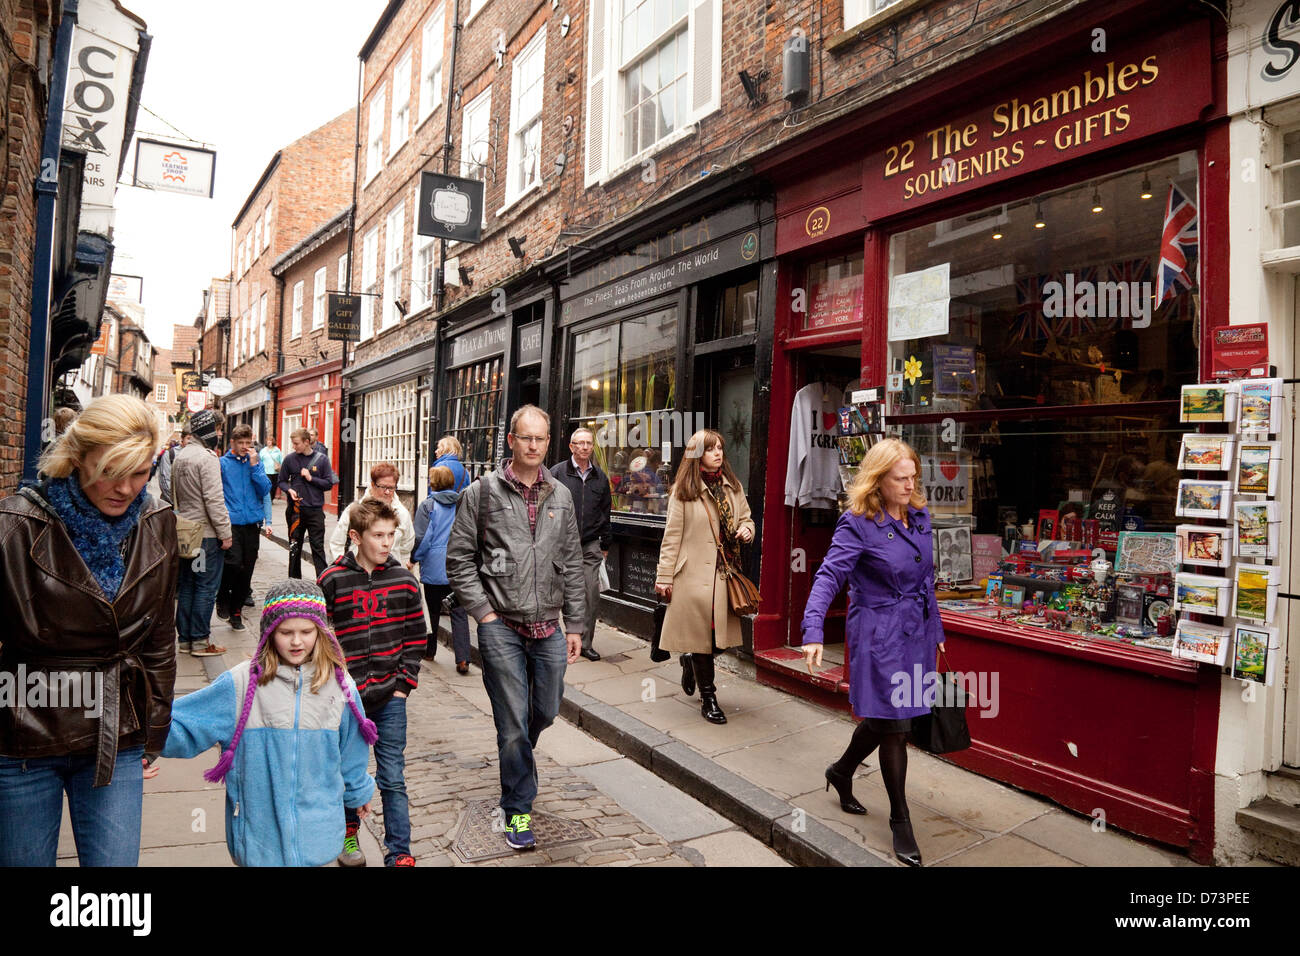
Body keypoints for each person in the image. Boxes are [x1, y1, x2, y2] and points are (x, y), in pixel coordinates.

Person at [0, 394, 177, 866]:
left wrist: (153, 730)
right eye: (110, 470)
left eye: (139, 472)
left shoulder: (157, 522)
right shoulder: (16, 524)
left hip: (115, 732)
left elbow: (160, 636)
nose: (124, 488)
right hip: (24, 733)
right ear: (78, 457)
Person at [159, 580, 377, 866]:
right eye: (286, 632)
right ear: (269, 632)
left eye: (306, 631)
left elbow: (351, 748)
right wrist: (143, 744)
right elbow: (186, 723)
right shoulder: (239, 684)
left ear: (321, 632)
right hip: (258, 833)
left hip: (318, 828)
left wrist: (358, 790)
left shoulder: (340, 685)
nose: (297, 641)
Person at [446, 404, 585, 852]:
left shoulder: (561, 495)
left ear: (549, 443)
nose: (533, 446)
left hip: (549, 625)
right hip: (501, 624)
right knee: (512, 724)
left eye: (540, 439)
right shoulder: (483, 493)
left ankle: (519, 752)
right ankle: (518, 807)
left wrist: (577, 623)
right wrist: (483, 614)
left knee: (543, 711)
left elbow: (574, 562)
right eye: (525, 437)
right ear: (511, 440)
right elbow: (459, 558)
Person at [800, 438, 944, 867]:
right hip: (879, 635)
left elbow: (926, 580)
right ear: (878, 480)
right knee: (895, 726)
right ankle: (901, 820)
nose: (909, 484)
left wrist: (935, 628)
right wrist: (812, 631)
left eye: (913, 476)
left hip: (915, 634)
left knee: (888, 718)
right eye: (901, 478)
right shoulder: (857, 523)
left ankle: (841, 772)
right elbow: (828, 577)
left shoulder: (919, 517)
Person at [319, 498, 424, 868]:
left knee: (392, 775)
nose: (386, 543)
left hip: (388, 697)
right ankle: (349, 836)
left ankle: (400, 851)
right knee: (346, 771)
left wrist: (403, 684)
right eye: (378, 535)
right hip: (345, 699)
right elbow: (318, 635)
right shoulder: (332, 580)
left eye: (390, 535)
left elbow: (416, 637)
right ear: (355, 537)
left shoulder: (404, 581)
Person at [654, 429, 755, 725]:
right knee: (704, 637)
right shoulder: (683, 492)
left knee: (720, 640)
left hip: (725, 574)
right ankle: (709, 697)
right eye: (711, 450)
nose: (718, 454)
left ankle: (690, 660)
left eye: (720, 448)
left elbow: (746, 517)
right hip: (692, 576)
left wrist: (748, 529)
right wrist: (664, 577)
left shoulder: (731, 486)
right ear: (698, 456)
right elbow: (671, 538)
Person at [172, 408, 232, 656]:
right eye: (218, 429)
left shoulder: (181, 455)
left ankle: (185, 639)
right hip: (205, 535)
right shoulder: (207, 458)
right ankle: (199, 640)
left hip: (185, 532)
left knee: (187, 586)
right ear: (209, 429)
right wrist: (225, 533)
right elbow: (214, 500)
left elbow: (173, 496)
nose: (219, 434)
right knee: (206, 587)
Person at [550, 426, 612, 660]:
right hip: (559, 543)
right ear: (571, 446)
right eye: (580, 443)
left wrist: (605, 544)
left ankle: (585, 643)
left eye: (589, 443)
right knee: (555, 592)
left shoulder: (600, 477)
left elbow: (606, 512)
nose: (585, 447)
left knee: (589, 594)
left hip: (589, 545)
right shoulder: (556, 474)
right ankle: (553, 639)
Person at [411, 465, 471, 671]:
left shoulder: (428, 506)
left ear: (434, 483)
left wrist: (414, 557)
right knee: (459, 611)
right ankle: (463, 659)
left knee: (432, 609)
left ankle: (429, 651)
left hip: (434, 565)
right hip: (458, 564)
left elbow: (422, 537)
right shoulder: (462, 504)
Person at [216, 424, 271, 631]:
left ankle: (236, 612)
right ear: (232, 443)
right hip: (231, 523)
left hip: (252, 524)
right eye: (241, 443)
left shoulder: (255, 463)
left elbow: (265, 488)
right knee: (232, 563)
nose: (245, 447)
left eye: (248, 443)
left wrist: (255, 466)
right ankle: (222, 596)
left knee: (246, 569)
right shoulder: (222, 464)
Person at [328, 461, 415, 566]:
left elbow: (406, 549)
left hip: (389, 575)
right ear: (373, 484)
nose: (387, 492)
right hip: (359, 573)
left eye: (391, 488)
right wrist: (345, 570)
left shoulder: (402, 514)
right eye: (383, 487)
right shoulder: (354, 510)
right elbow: (337, 543)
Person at [279, 427, 335, 579]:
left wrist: (311, 478)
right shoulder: (289, 459)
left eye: (296, 443)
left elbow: (329, 484)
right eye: (293, 443)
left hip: (315, 511)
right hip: (295, 511)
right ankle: (294, 583)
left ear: (306, 442)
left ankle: (323, 583)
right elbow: (281, 481)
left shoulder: (322, 460)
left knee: (317, 549)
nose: (294, 446)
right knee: (294, 548)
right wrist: (289, 490)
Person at [157, 425, 190, 505]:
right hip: (171, 505)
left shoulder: (197, 455)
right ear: (182, 438)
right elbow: (165, 481)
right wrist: (177, 503)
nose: (191, 442)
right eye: (188, 438)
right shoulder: (170, 454)